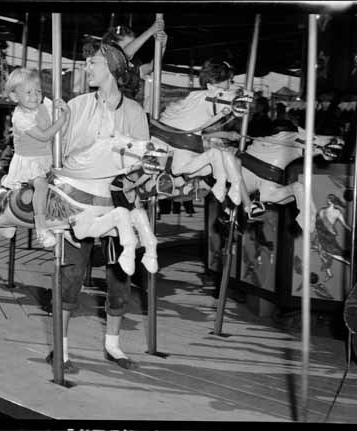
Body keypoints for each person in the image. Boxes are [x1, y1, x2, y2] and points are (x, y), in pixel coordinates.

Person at [44, 41, 149, 373]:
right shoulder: (76, 105)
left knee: (120, 272)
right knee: (71, 270)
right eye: (86, 62)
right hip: (78, 195)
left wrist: (131, 176)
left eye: (93, 62)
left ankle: (113, 343)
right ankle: (60, 346)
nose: (87, 68)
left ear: (113, 67)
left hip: (115, 196)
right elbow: (60, 152)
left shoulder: (133, 111)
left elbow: (142, 159)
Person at [158, 57, 265, 221]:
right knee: (227, 157)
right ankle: (239, 203)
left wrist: (245, 97)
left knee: (233, 160)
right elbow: (204, 130)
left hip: (199, 142)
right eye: (228, 81)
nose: (230, 84)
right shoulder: (203, 98)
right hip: (195, 145)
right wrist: (225, 134)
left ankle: (241, 203)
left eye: (231, 80)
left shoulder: (209, 100)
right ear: (212, 84)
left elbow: (229, 101)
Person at [0, 67, 70, 248]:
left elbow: (61, 129)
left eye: (38, 91)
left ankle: (64, 223)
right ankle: (41, 228)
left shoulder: (44, 105)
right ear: (15, 97)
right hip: (29, 163)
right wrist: (64, 117)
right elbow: (46, 135)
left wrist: (63, 112)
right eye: (28, 92)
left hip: (48, 158)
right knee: (41, 184)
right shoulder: (20, 117)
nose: (35, 96)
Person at [101, 18, 168, 104]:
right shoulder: (106, 61)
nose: (134, 48)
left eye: (134, 44)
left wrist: (162, 47)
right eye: (127, 45)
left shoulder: (131, 66)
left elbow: (150, 67)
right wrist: (151, 31)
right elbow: (124, 54)